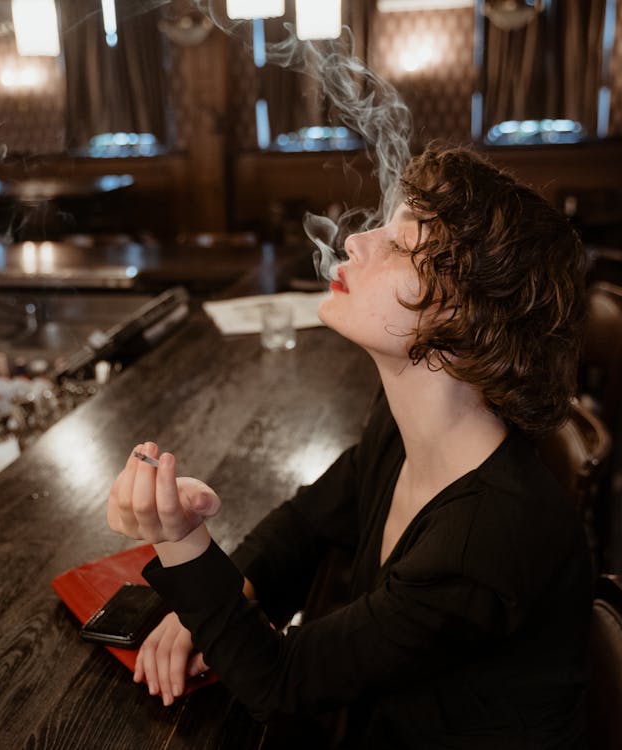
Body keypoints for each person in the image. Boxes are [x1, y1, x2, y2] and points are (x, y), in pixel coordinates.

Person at [106, 145, 593, 748]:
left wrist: (180, 541)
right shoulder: (404, 430)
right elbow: (307, 523)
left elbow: (279, 683)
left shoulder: (487, 538)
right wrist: (213, 607)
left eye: (400, 243)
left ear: (468, 319)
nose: (357, 242)